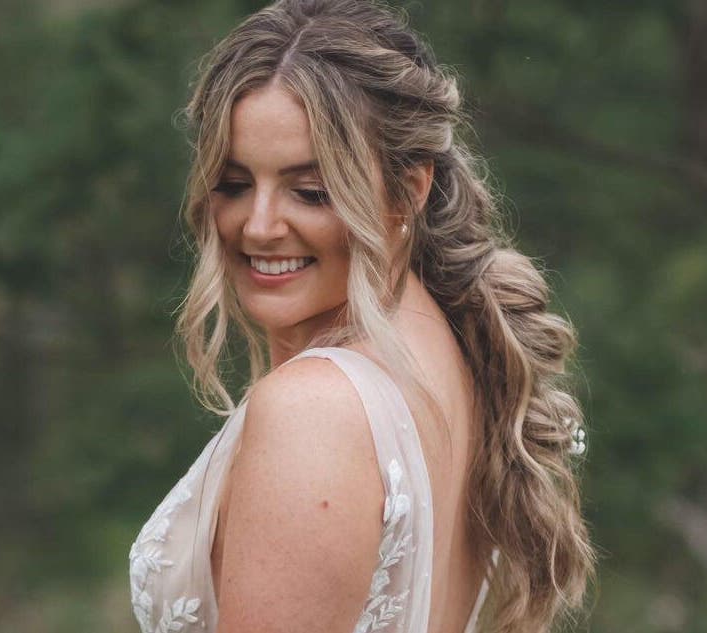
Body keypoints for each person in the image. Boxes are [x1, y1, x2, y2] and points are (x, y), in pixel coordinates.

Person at [128, 1, 596, 632]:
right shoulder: (451, 354)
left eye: (312, 192)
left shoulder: (313, 411)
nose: (259, 226)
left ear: (409, 188)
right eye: (235, 183)